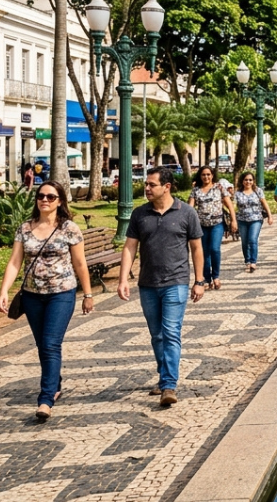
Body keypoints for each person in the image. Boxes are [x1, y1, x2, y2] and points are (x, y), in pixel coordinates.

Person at [0, 182, 91, 420]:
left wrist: (88, 294)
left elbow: (80, 263)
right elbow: (15, 262)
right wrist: (4, 290)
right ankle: (54, 383)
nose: (44, 200)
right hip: (32, 295)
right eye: (40, 196)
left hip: (62, 293)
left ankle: (46, 399)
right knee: (43, 345)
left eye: (50, 196)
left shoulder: (69, 228)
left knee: (50, 344)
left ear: (60, 201)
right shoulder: (25, 228)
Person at [118, 166, 205, 408]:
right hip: (148, 283)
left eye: (151, 184)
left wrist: (199, 281)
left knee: (171, 332)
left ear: (166, 187)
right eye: (146, 184)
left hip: (176, 282)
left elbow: (196, 248)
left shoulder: (186, 212)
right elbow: (130, 247)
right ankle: (164, 373)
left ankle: (169, 385)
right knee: (157, 335)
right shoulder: (140, 214)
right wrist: (123, 279)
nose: (146, 188)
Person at [189, 167, 232, 291]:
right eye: (203, 175)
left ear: (212, 175)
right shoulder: (196, 190)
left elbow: (229, 204)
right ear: (200, 176)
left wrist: (233, 220)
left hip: (217, 224)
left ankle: (216, 276)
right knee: (204, 252)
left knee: (215, 249)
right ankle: (207, 278)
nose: (206, 177)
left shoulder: (219, 188)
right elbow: (190, 208)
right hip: (201, 225)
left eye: (208, 174)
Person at [233, 171, 271, 273]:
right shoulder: (238, 193)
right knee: (244, 242)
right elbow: (233, 206)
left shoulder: (258, 191)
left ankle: (253, 262)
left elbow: (264, 203)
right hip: (242, 220)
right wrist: (233, 220)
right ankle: (247, 261)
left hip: (256, 219)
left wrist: (270, 216)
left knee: (252, 239)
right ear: (242, 181)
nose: (248, 182)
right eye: (246, 180)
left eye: (250, 180)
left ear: (253, 181)